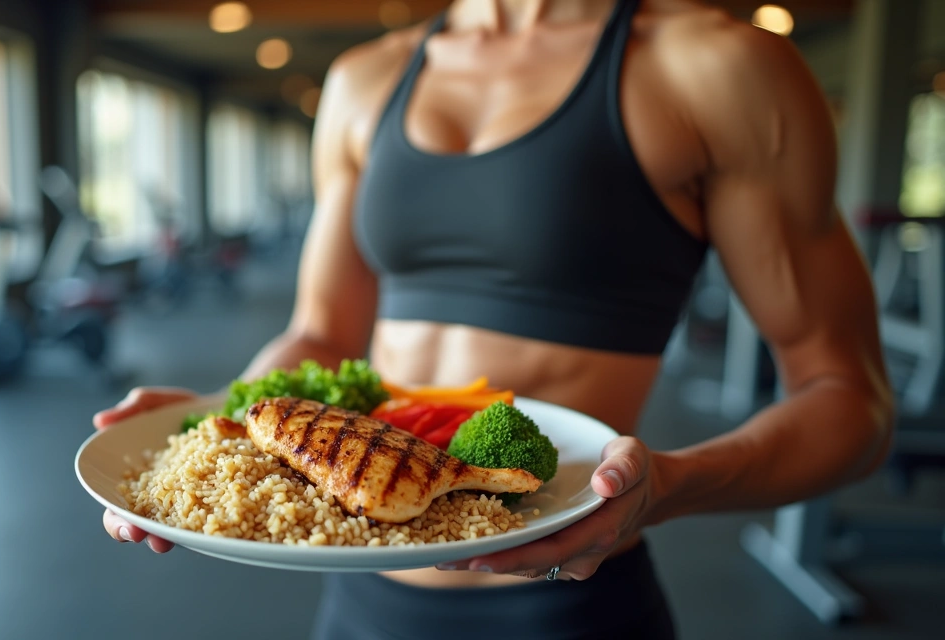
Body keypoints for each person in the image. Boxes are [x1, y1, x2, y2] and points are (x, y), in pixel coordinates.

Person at [93, 0, 894, 637]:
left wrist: (668, 487)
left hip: (567, 600)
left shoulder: (718, 68)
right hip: (361, 592)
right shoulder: (365, 78)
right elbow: (322, 336)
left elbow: (849, 401)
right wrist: (219, 426)